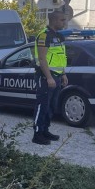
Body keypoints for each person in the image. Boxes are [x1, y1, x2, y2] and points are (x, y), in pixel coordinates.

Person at [32, 10, 68, 145]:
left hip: (57, 76)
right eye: (62, 20)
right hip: (45, 76)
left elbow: (61, 57)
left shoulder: (59, 37)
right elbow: (42, 59)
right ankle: (37, 134)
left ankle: (45, 130)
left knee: (52, 106)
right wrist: (49, 77)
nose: (64, 23)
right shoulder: (43, 36)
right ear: (54, 21)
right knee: (42, 105)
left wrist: (63, 74)